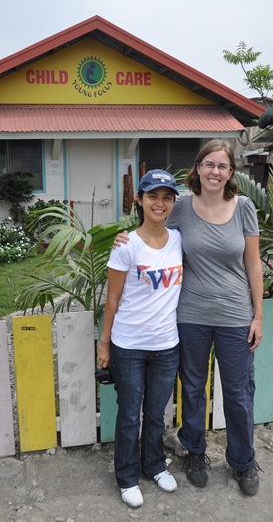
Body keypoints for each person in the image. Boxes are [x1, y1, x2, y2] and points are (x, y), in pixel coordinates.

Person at [114, 139, 263, 496]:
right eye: (209, 164)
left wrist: (258, 314)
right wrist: (123, 238)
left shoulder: (243, 206)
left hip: (236, 316)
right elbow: (152, 227)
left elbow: (253, 262)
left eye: (222, 166)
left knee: (239, 394)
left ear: (231, 172)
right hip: (190, 315)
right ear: (197, 168)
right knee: (193, 390)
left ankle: (242, 461)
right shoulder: (180, 207)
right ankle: (195, 453)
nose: (215, 171)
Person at [97, 170, 183, 509]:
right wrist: (104, 343)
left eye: (166, 197)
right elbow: (113, 300)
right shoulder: (126, 245)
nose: (159, 203)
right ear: (140, 200)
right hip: (129, 345)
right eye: (152, 196)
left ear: (173, 202)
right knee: (130, 413)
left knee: (156, 413)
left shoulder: (178, 239)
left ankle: (154, 465)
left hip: (166, 344)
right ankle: (127, 476)